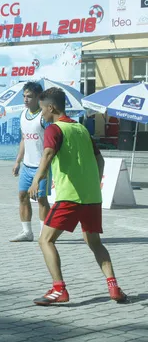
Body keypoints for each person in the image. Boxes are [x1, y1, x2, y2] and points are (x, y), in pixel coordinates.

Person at [29, 87, 128, 306]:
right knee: (94, 242)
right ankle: (113, 287)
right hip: (92, 196)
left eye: (42, 110)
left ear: (51, 107)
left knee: (45, 240)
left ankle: (59, 290)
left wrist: (37, 180)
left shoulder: (54, 129)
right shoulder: (82, 129)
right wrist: (94, 182)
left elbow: (47, 154)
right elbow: (100, 161)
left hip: (69, 197)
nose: (41, 114)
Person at [11, 82, 51, 242]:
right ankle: (27, 232)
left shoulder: (44, 117)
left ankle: (45, 234)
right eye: (24, 96)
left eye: (30, 96)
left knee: (41, 199)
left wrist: (47, 164)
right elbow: (24, 140)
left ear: (38, 98)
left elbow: (51, 143)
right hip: (27, 166)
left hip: (42, 167)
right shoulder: (22, 114)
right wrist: (17, 161)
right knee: (22, 196)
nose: (26, 99)